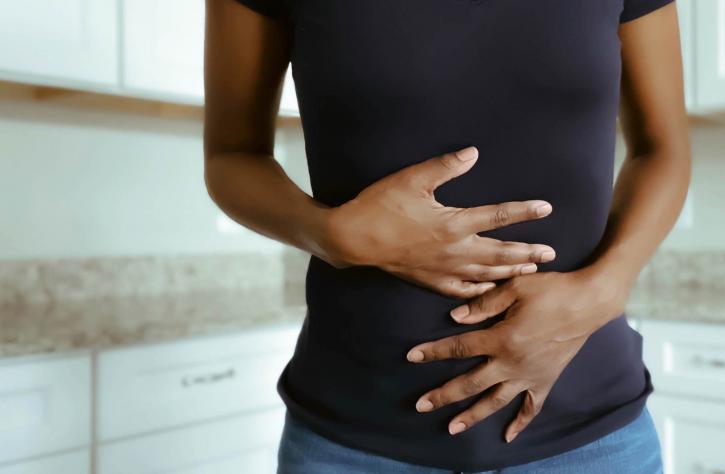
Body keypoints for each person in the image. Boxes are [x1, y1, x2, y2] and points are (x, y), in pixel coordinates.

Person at [202, 0, 691, 472]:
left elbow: (663, 148)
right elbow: (232, 156)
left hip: (593, 437)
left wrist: (604, 290)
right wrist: (331, 235)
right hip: (352, 438)